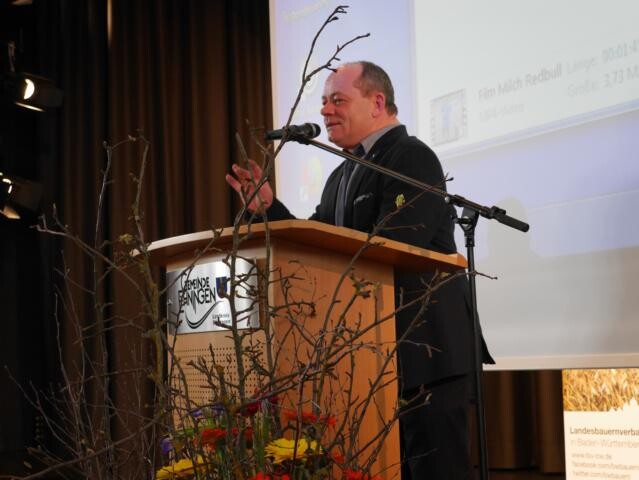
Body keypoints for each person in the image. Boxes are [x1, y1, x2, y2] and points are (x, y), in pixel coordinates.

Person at [226, 61, 492, 479]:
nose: (325, 110)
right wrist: (269, 209)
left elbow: (397, 242)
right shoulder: (341, 174)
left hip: (424, 350)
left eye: (338, 100)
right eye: (323, 101)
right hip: (372, 354)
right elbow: (316, 241)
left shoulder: (411, 157)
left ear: (377, 102)